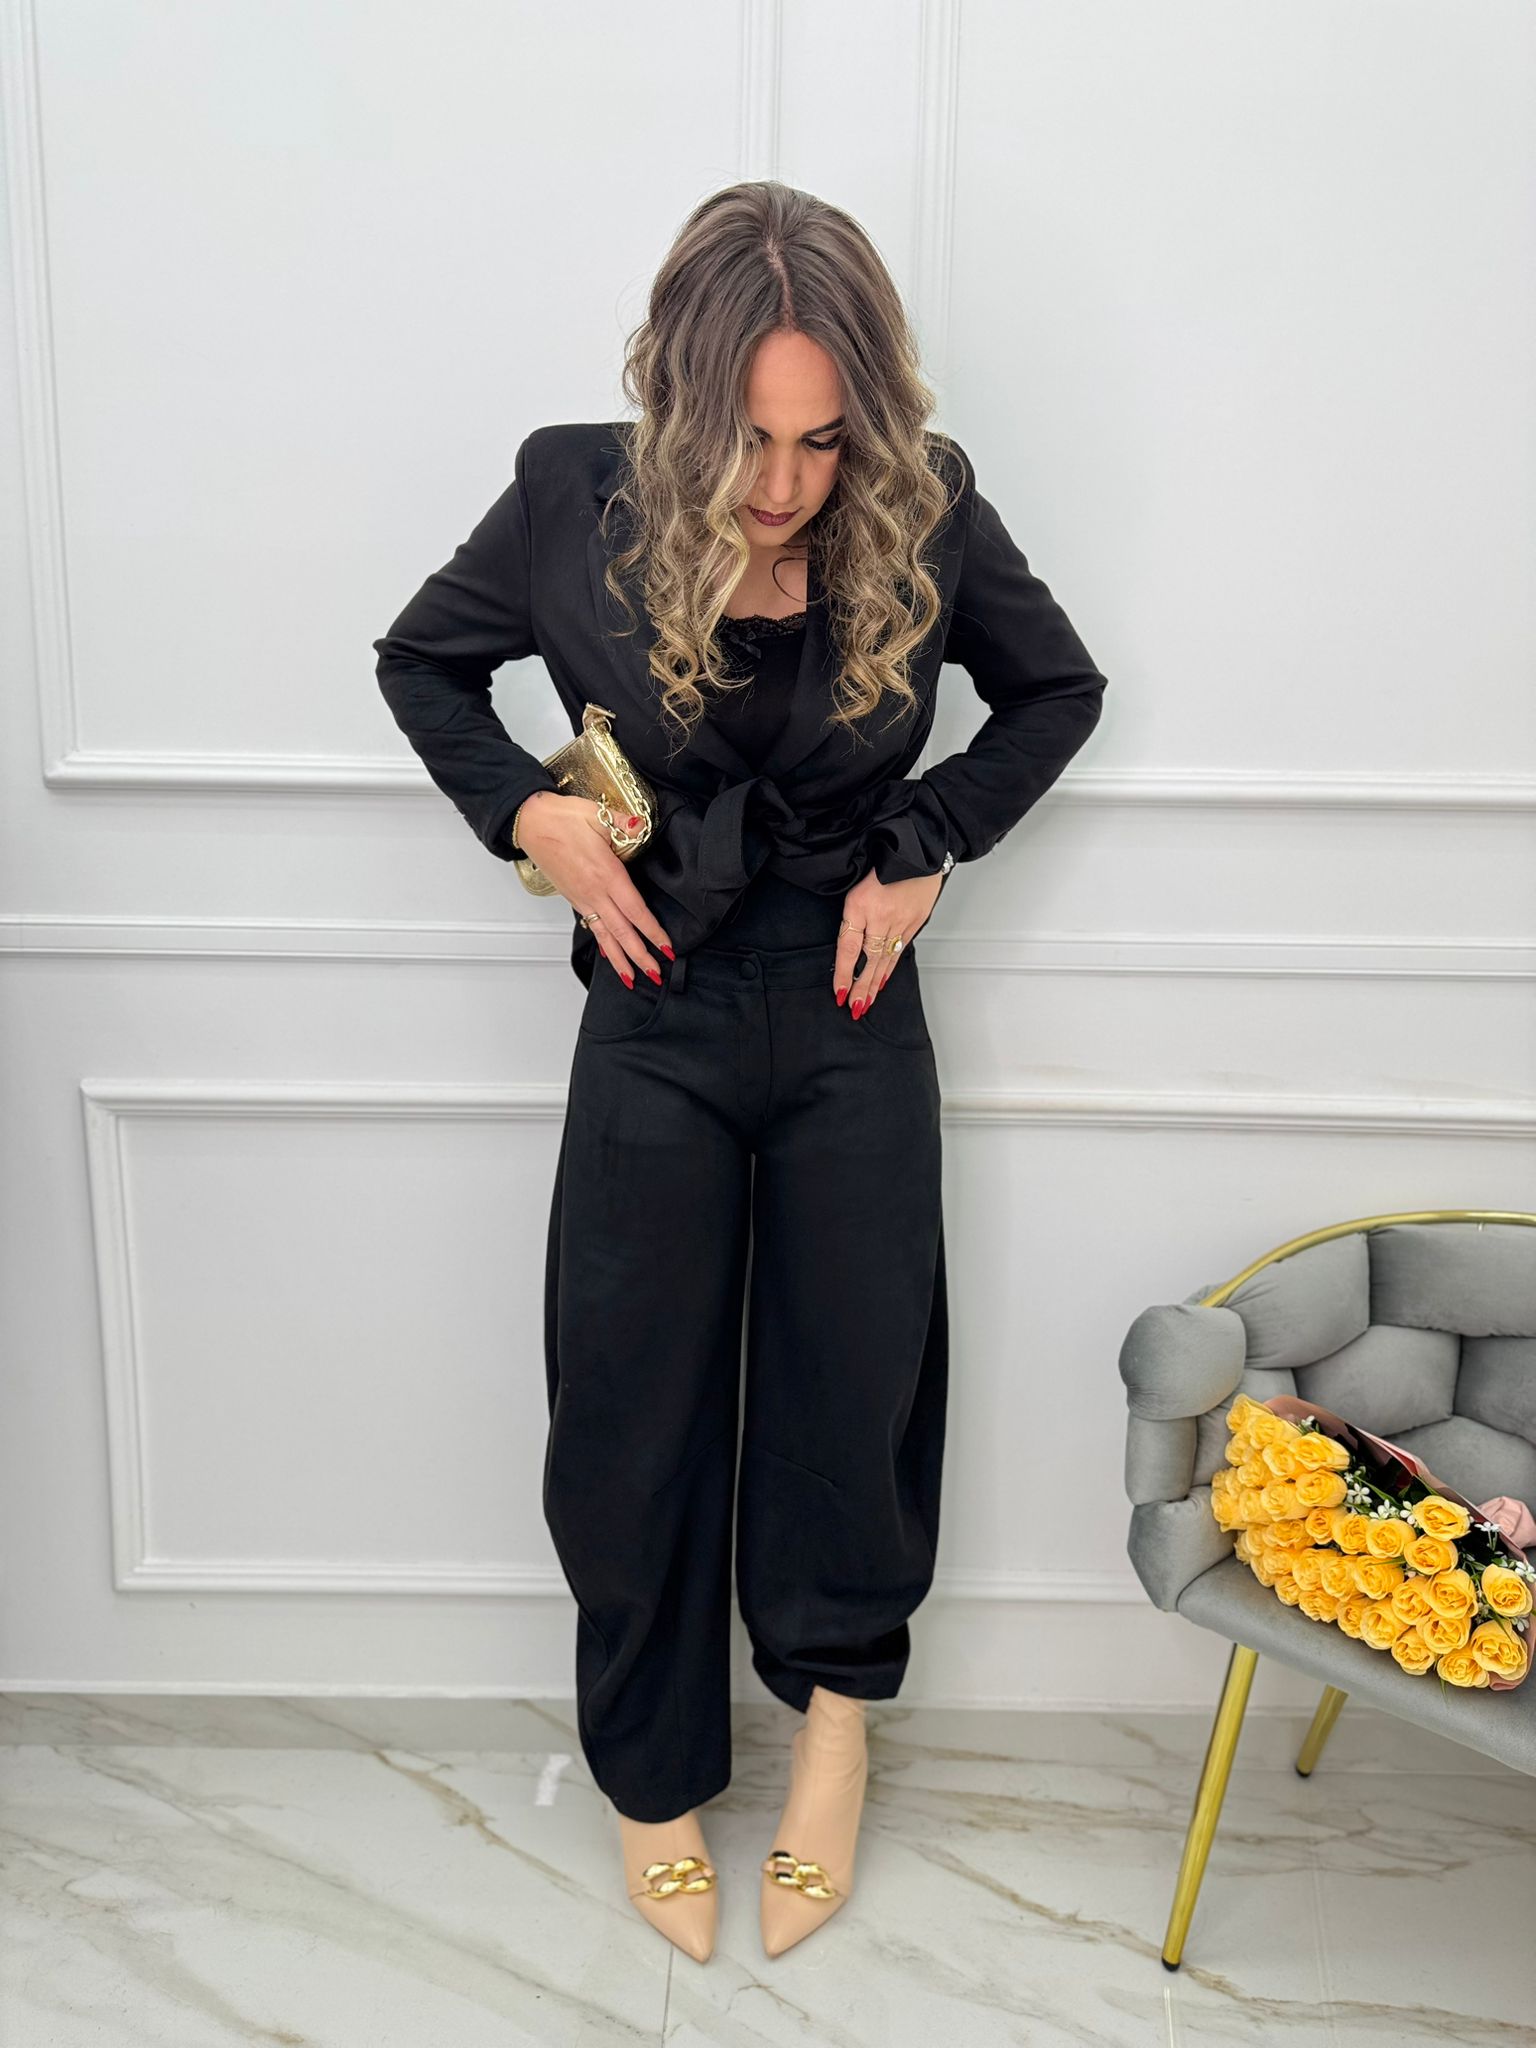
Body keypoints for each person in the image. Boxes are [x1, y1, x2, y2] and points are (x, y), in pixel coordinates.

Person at [373, 179, 1107, 1965]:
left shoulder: (928, 507)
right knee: (627, 1404)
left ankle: (835, 1739)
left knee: (858, 1384)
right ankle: (650, 1776)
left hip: (852, 1006)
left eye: (822, 440)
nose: (784, 485)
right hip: (656, 1002)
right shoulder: (569, 495)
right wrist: (530, 812)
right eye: (753, 439)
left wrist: (926, 845)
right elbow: (423, 662)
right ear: (681, 398)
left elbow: (1056, 691)